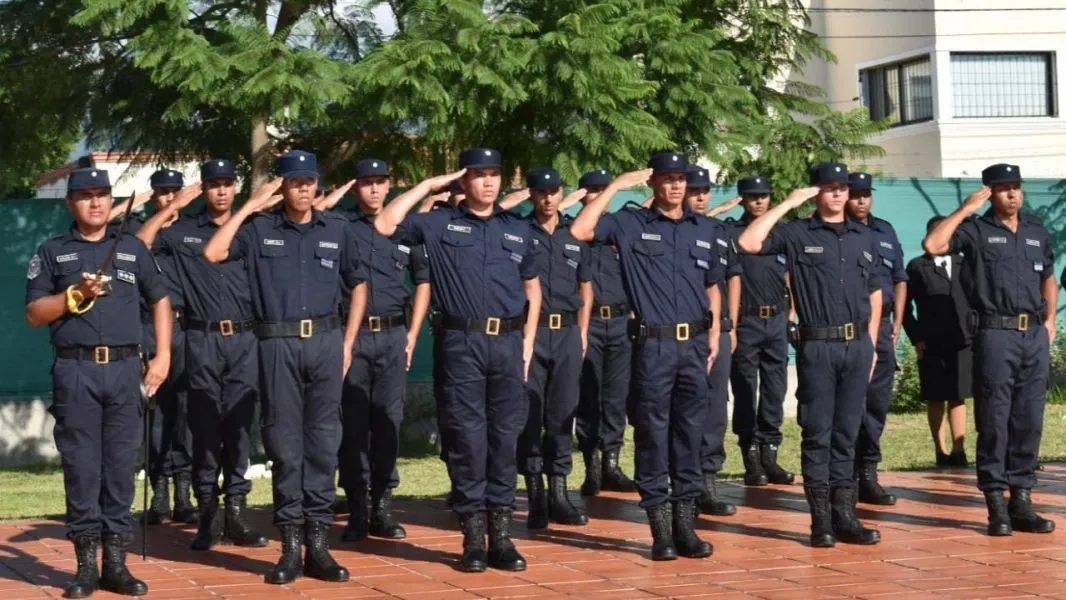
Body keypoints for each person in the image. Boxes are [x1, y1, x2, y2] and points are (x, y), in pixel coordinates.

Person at [204, 150, 368, 584]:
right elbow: (214, 251)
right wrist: (252, 205)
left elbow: (359, 285)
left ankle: (319, 545)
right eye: (293, 182)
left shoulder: (338, 229)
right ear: (282, 185)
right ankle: (291, 547)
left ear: (317, 184)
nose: (303, 189)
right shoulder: (259, 229)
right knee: (284, 444)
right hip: (276, 344)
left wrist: (348, 342)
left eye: (309, 181)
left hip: (327, 342)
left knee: (322, 443)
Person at [374, 148, 541, 573]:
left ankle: (501, 538)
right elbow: (384, 223)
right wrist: (428, 186)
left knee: (505, 437)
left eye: (493, 175)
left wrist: (527, 342)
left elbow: (533, 288)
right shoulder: (437, 223)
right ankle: (471, 539)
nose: (487, 183)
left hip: (507, 343)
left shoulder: (518, 229)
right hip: (461, 343)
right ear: (462, 182)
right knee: (467, 439)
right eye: (478, 175)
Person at [27, 167, 173, 598]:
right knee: (82, 467)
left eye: (102, 194)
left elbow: (161, 299)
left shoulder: (131, 249)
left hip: (127, 370)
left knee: (120, 469)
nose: (95, 202)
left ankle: (116, 562)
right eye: (85, 195)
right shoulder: (53, 252)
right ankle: (86, 565)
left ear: (112, 200)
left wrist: (162, 355)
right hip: (76, 371)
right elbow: (35, 313)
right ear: (71, 203)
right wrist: (73, 296)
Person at [571, 153, 719, 561]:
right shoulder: (630, 223)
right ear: (653, 184)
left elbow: (712, 286)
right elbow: (581, 228)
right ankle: (659, 532)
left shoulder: (704, 229)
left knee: (690, 433)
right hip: (653, 346)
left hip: (694, 345)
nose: (675, 187)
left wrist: (719, 332)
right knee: (653, 435)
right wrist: (616, 187)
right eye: (667, 179)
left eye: (681, 180)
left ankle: (686, 527)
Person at [737, 162, 882, 548]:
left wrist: (871, 346)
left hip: (856, 344)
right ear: (816, 192)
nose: (837, 194)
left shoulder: (863, 237)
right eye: (828, 187)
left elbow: (875, 293)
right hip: (817, 345)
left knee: (848, 434)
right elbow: (750, 243)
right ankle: (821, 521)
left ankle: (846, 515)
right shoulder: (798, 233)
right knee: (818, 433)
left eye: (842, 187)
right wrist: (787, 204)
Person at [134, 159, 268, 551]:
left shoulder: (254, 229)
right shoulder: (183, 231)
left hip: (245, 339)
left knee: (241, 426)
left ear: (237, 188)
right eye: (214, 185)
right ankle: (208, 513)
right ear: (203, 189)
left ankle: (237, 513)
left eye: (228, 184)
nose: (221, 192)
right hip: (202, 339)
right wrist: (171, 207)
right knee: (205, 427)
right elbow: (140, 244)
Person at [923, 163, 1056, 537]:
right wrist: (966, 208)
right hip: (995, 335)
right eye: (1003, 189)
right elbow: (933, 245)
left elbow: (1048, 276)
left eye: (1016, 187)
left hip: (1032, 336)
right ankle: (996, 502)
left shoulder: (1035, 230)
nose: (1012, 194)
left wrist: (1049, 322)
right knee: (995, 420)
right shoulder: (976, 230)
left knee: (1029, 419)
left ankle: (1022, 500)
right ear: (989, 193)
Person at [335, 158, 430, 542]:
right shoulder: (340, 226)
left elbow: (424, 281)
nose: (374, 190)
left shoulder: (407, 231)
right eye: (366, 183)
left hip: (393, 336)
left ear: (390, 185)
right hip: (353, 338)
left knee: (389, 421)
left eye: (380, 182)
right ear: (356, 187)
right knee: (353, 423)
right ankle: (357, 507)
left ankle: (383, 507)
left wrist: (412, 334)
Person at [517, 167, 593, 529]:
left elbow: (586, 287)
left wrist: (582, 333)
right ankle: (535, 497)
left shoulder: (576, 233)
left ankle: (560, 494)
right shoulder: (517, 231)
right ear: (530, 194)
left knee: (563, 413)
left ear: (563, 192)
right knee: (530, 415)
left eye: (553, 190)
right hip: (530, 335)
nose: (547, 197)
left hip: (565, 334)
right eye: (540, 191)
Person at [126, 169, 197, 527]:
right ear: (153, 197)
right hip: (149, 331)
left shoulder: (194, 230)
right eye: (163, 193)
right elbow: (139, 244)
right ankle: (159, 493)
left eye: (175, 192)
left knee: (184, 413)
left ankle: (184, 492)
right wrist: (162, 215)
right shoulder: (141, 232)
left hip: (186, 329)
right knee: (154, 416)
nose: (170, 199)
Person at [724, 176, 794, 487]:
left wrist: (792, 312)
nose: (759, 202)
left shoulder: (781, 235)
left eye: (764, 196)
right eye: (752, 197)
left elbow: (790, 275)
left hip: (776, 322)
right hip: (746, 322)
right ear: (742, 199)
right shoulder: (732, 233)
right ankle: (750, 455)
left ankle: (770, 453)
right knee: (744, 389)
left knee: (775, 389)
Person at [571, 169, 638, 497]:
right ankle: (591, 467)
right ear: (582, 193)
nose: (597, 195)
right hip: (589, 324)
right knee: (588, 396)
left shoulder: (621, 230)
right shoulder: (572, 229)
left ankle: (612, 464)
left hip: (621, 323)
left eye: (603, 189)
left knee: (616, 397)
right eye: (592, 190)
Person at [845, 172, 907, 506]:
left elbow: (899, 278)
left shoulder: (885, 230)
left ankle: (868, 472)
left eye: (866, 194)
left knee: (877, 402)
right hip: (848, 325)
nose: (861, 200)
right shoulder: (838, 232)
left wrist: (897, 320)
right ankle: (846, 476)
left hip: (881, 328)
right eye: (856, 195)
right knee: (849, 401)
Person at [685, 165, 740, 517]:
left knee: (715, 406)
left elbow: (733, 276)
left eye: (705, 190)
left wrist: (729, 324)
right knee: (681, 406)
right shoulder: (659, 229)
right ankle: (682, 479)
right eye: (695, 190)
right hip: (679, 332)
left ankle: (707, 480)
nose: (701, 196)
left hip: (715, 330)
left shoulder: (719, 232)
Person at [903, 216, 973, 468]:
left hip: (963, 339)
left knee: (959, 395)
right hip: (931, 341)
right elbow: (904, 306)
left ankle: (959, 449)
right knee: (935, 396)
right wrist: (916, 337)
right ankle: (940, 450)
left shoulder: (966, 263)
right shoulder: (916, 266)